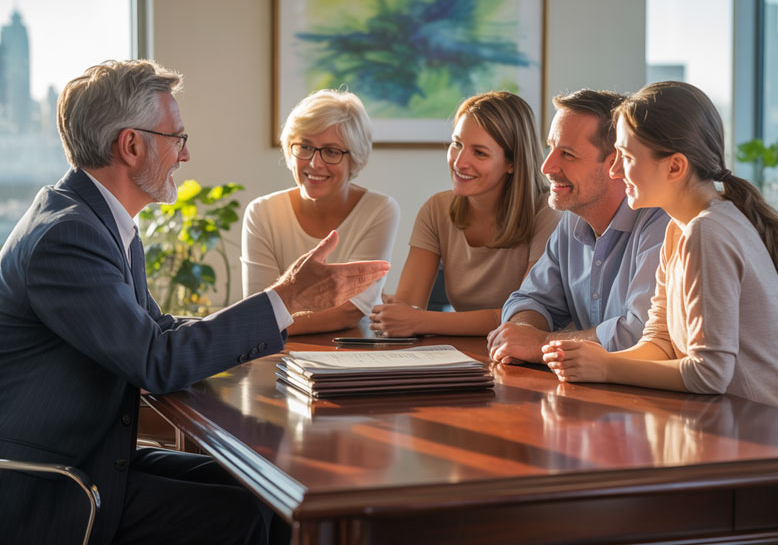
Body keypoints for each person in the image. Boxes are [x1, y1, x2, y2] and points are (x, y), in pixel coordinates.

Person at [0, 59, 389, 544]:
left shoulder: (97, 219)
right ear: (132, 144)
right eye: (177, 138)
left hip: (92, 455)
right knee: (239, 514)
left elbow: (156, 329)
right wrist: (286, 297)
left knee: (270, 490)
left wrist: (278, 323)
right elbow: (154, 361)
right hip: (53, 484)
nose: (184, 155)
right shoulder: (69, 236)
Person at [542, 81, 778, 411]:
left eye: (626, 156)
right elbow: (660, 342)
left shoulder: (707, 233)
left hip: (758, 430)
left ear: (675, 166)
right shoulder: (679, 230)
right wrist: (596, 360)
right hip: (718, 419)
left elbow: (709, 374)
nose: (616, 171)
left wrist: (607, 367)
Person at [488, 89, 670, 364]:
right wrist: (523, 332)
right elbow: (528, 300)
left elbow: (642, 335)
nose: (546, 167)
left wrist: (542, 344)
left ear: (616, 163)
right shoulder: (572, 220)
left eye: (568, 154)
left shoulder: (663, 224)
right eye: (551, 148)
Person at [369, 91, 561, 337]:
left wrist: (420, 321)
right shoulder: (436, 210)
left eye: (479, 152)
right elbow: (408, 308)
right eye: (457, 144)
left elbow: (524, 316)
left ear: (512, 162)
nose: (459, 162)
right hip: (470, 354)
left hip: (533, 357)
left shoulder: (547, 213)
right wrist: (390, 313)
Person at [242, 89, 399, 334]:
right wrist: (261, 321)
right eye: (305, 147)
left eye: (332, 151)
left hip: (356, 351)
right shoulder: (262, 213)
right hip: (280, 353)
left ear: (355, 159)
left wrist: (268, 323)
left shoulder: (379, 210)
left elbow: (350, 312)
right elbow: (257, 308)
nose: (315, 163)